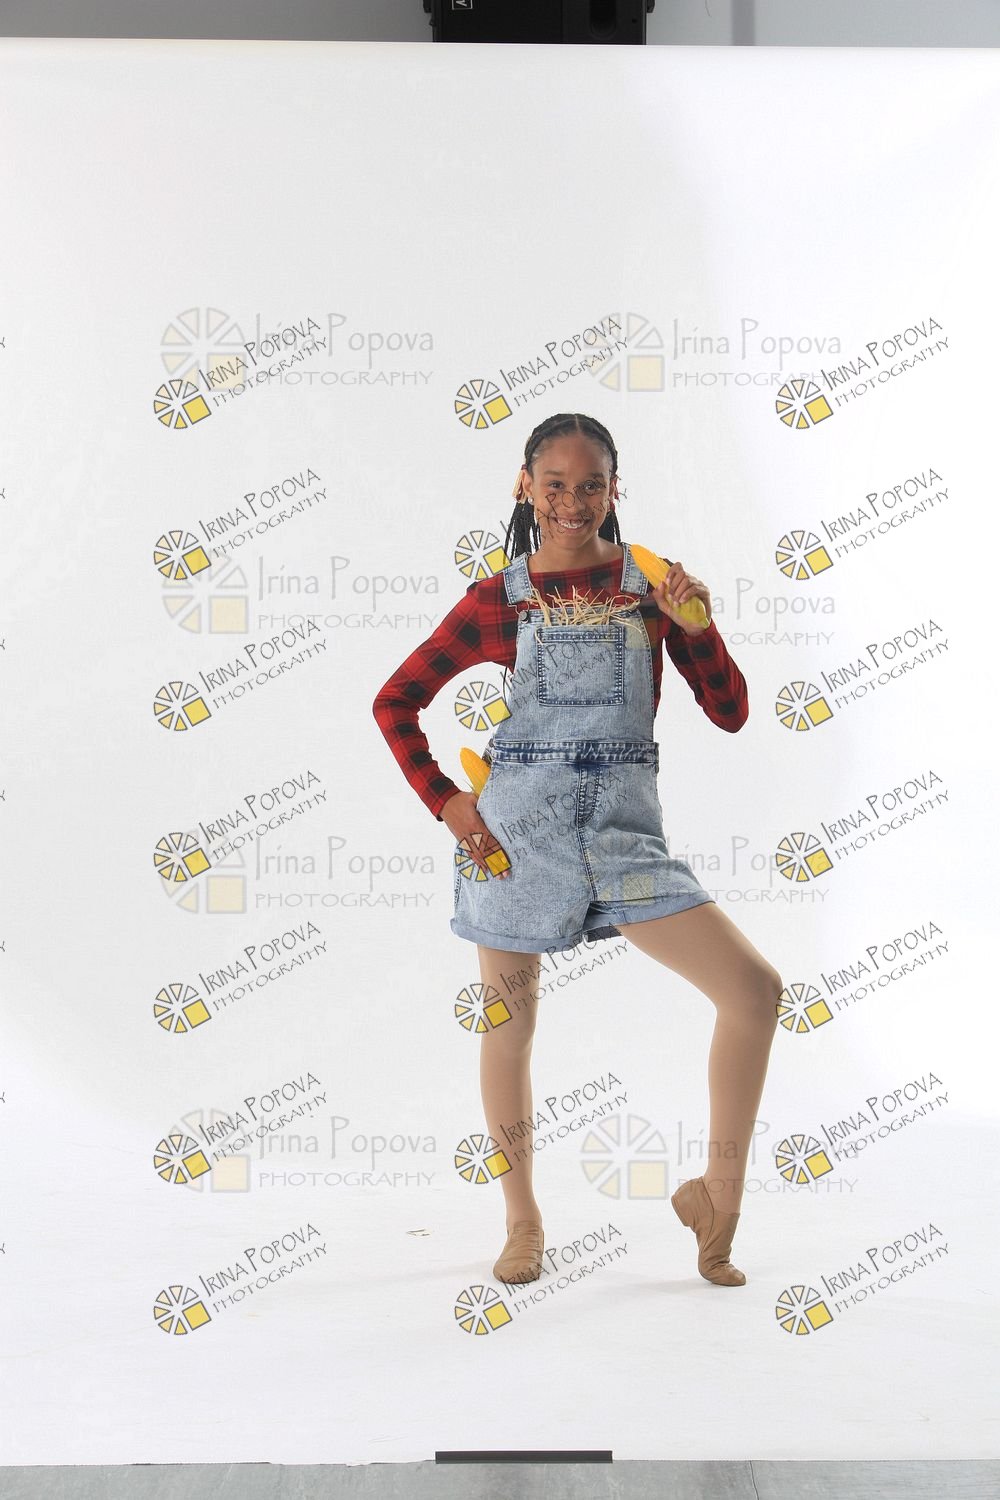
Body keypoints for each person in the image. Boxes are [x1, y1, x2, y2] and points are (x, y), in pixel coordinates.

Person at [372, 412, 782, 1290]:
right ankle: (522, 1219)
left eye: (590, 484)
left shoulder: (653, 587)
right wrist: (448, 803)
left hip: (625, 837)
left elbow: (732, 712)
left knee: (753, 992)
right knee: (510, 1028)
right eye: (554, 483)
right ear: (525, 486)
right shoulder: (498, 598)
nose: (572, 501)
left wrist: (696, 628)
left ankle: (718, 1203)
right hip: (516, 839)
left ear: (614, 489)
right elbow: (395, 701)